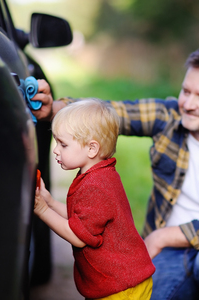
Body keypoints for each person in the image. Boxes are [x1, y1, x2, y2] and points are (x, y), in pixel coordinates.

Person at [32, 44, 199, 300]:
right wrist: (55, 108)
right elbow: (111, 113)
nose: (188, 104)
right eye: (186, 91)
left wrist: (160, 237)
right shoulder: (170, 115)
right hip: (170, 254)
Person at [33, 99, 155, 299]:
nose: (56, 150)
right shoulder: (98, 173)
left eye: (63, 144)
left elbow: (78, 236)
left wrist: (42, 210)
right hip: (121, 281)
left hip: (121, 287)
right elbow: (80, 219)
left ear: (92, 149)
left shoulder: (96, 186)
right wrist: (51, 203)